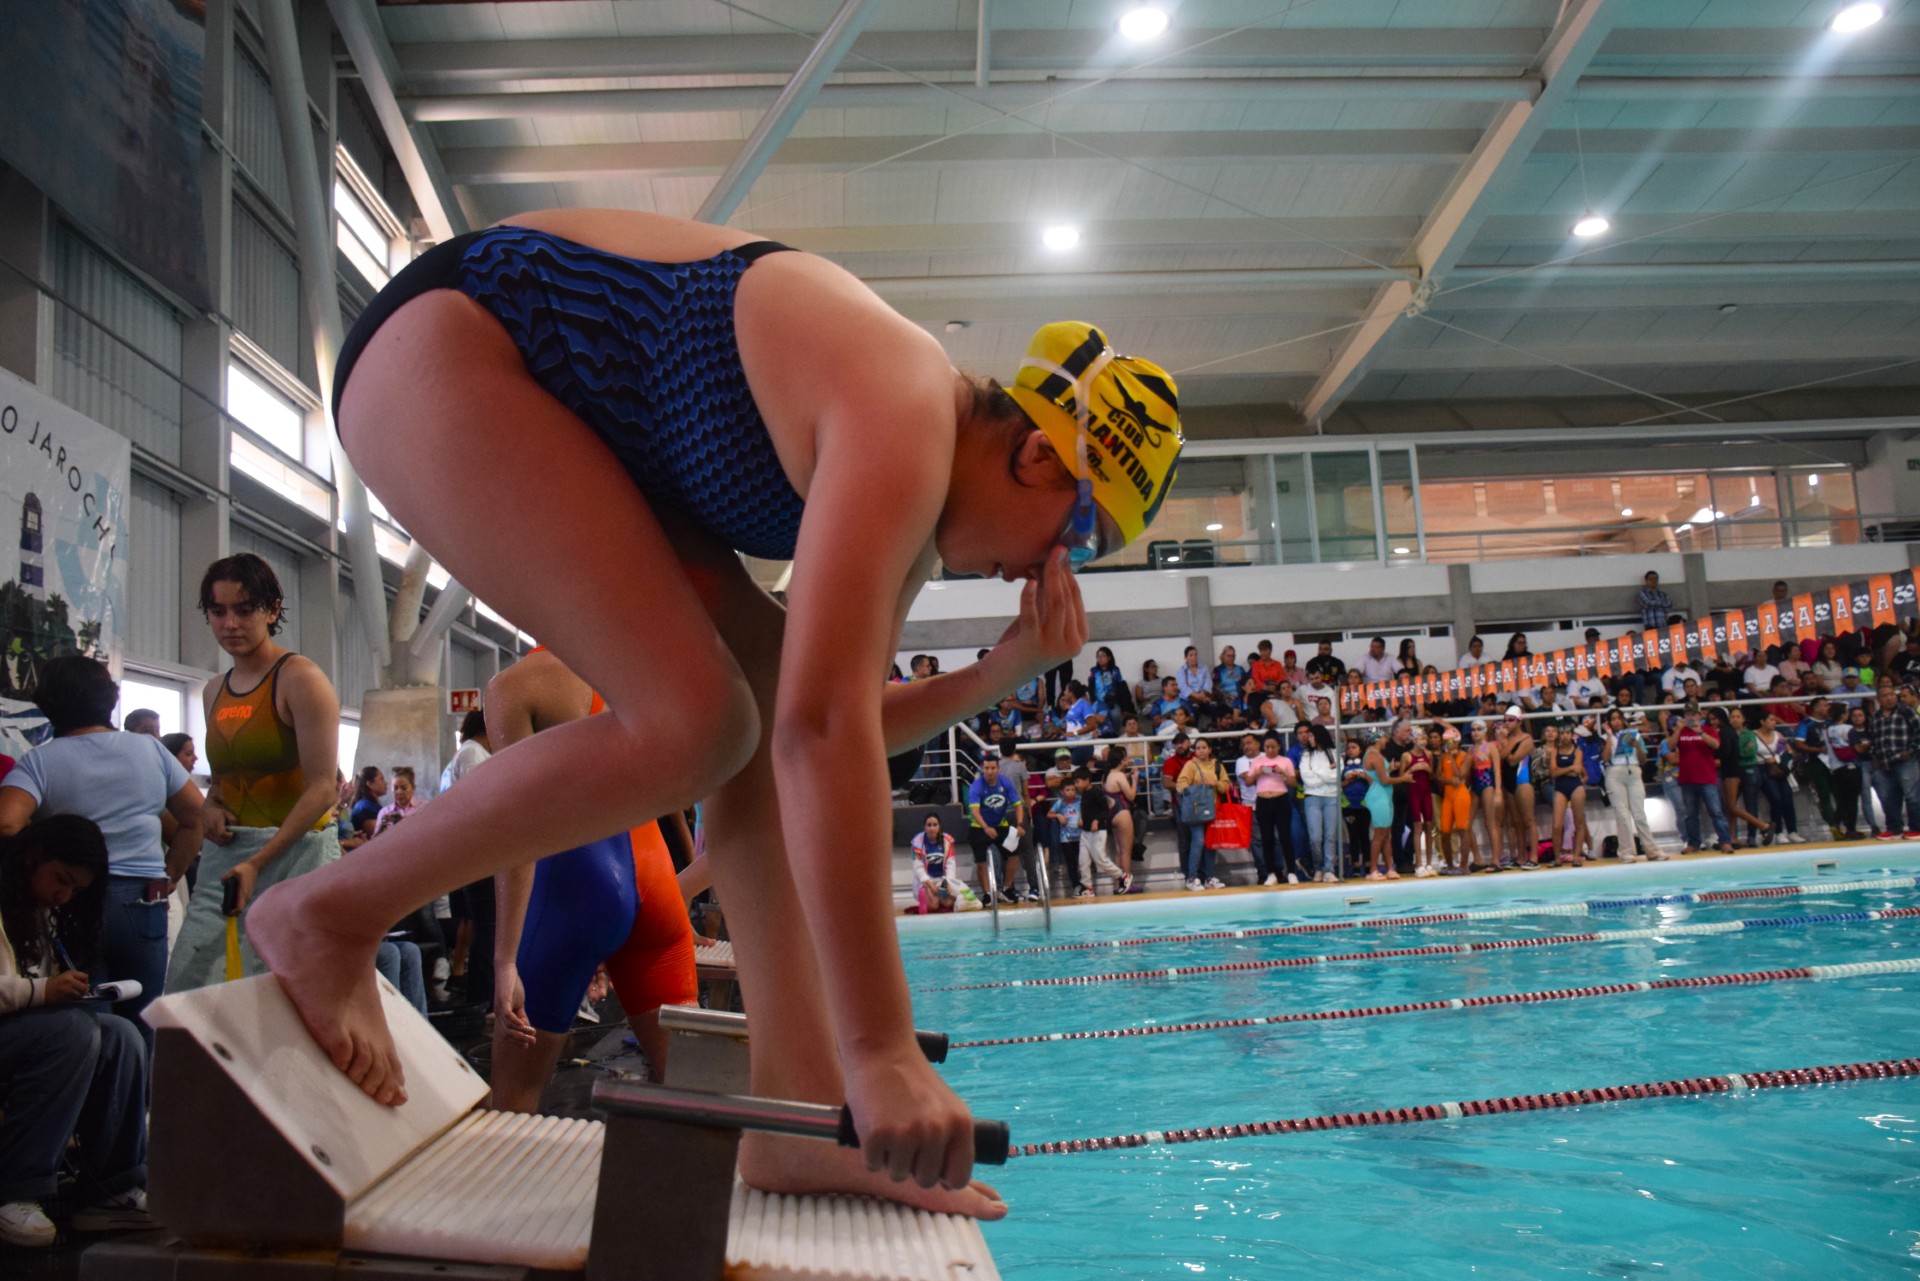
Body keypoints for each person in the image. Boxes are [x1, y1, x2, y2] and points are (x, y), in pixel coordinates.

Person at [483, 649, 700, 1109]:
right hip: (656, 886)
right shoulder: (644, 671)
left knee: (514, 1099)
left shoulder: (517, 686)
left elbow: (518, 829)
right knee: (693, 1095)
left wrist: (505, 960)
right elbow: (678, 795)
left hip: (575, 886)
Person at [0, 657, 205, 1039]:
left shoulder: (39, 761)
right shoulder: (153, 752)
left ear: (48, 704)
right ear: (109, 700)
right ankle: (139, 1099)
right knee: (142, 1022)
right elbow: (197, 818)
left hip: (75, 900)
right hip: (144, 900)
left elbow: (7, 823)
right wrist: (170, 876)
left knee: (88, 1023)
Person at [170, 554, 341, 993]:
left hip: (297, 853)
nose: (231, 623)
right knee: (192, 987)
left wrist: (258, 862)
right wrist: (210, 806)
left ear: (272, 609)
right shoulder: (213, 691)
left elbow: (323, 788)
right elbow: (223, 782)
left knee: (291, 996)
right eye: (218, 610)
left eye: (244, 610)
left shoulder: (300, 678)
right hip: (229, 857)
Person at [0, 815, 152, 1247]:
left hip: (14, 1032)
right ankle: (16, 1189)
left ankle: (113, 1189)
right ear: (34, 856)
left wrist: (53, 993)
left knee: (119, 1036)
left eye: (75, 891)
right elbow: (28, 992)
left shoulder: (36, 909)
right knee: (69, 1032)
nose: (63, 896)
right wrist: (42, 992)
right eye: (61, 880)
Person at [1670, 707, 1734, 854]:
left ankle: (1725, 841)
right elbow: (1670, 746)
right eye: (1687, 714)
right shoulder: (1682, 732)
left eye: (1693, 714)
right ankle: (1693, 843)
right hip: (1687, 778)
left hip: (1707, 778)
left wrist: (1699, 731)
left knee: (1716, 812)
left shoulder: (1708, 730)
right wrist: (1679, 730)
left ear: (1699, 716)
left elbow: (1716, 745)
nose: (1690, 717)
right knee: (1690, 814)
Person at [1862, 685, 1920, 841]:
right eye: (1885, 695)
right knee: (1889, 798)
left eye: (1892, 695)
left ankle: (1916, 828)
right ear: (1879, 699)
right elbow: (1874, 739)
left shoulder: (1906, 711)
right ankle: (1894, 829)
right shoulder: (1875, 717)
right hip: (1884, 762)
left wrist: (1911, 750)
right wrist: (1874, 755)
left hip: (1905, 760)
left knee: (1912, 796)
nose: (1889, 698)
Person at [966, 754, 1025, 906]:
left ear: (998, 769)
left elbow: (1018, 805)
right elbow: (975, 812)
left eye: (993, 768)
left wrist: (1020, 824)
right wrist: (986, 828)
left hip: (1000, 825)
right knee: (981, 861)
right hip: (979, 827)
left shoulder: (1006, 783)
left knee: (1014, 853)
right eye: (986, 768)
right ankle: (987, 894)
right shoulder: (976, 786)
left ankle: (1006, 889)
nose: (990, 771)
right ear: (982, 769)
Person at [1602, 711, 1660, 861]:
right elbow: (1605, 758)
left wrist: (1636, 746)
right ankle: (1626, 852)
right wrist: (1609, 736)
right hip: (1614, 774)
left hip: (1633, 772)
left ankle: (1652, 850)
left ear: (1623, 720)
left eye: (1618, 718)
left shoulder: (1636, 736)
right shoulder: (1604, 738)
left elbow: (1643, 759)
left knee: (1640, 814)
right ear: (1608, 722)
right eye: (1613, 719)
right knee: (1622, 815)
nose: (1616, 722)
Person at [1174, 738, 1229, 891]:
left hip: (1213, 810)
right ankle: (1192, 878)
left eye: (1204, 747)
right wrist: (1197, 790)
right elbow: (1180, 785)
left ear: (1210, 749)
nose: (1201, 750)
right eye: (1198, 748)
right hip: (1196, 811)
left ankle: (1209, 878)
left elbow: (1226, 786)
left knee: (1211, 843)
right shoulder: (1191, 765)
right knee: (1198, 841)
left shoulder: (1217, 765)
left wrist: (1215, 783)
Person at [1248, 735, 1298, 885]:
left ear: (1278, 747)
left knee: (1285, 837)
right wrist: (1259, 773)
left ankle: (1291, 872)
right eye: (1267, 747)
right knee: (1267, 838)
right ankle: (1271, 873)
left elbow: (1294, 783)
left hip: (1281, 800)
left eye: (1272, 747)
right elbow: (1249, 781)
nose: (1269, 750)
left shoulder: (1285, 761)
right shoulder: (1258, 762)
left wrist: (1282, 772)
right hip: (1263, 801)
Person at [1297, 724, 1342, 883]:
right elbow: (1306, 778)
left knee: (1330, 835)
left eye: (1311, 736)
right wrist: (1327, 773)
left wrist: (1319, 774)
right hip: (1312, 797)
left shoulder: (1335, 754)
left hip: (1331, 797)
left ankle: (1329, 869)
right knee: (1315, 837)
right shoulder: (1306, 756)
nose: (1308, 739)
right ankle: (1318, 866)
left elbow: (1336, 776)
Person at [1544, 726, 1587, 866]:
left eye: (1567, 733)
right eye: (1562, 733)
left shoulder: (1578, 751)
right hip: (1560, 788)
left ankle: (1576, 855)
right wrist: (1570, 768)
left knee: (1579, 822)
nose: (1564, 736)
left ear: (1572, 735)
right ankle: (1557, 857)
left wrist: (1561, 770)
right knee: (1556, 825)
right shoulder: (1554, 751)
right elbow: (1553, 773)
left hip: (1575, 786)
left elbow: (1576, 772)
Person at [1499, 710, 1537, 868]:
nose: (1507, 723)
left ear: (1519, 722)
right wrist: (1507, 742)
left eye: (1511, 720)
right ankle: (1521, 857)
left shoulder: (1526, 739)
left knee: (1528, 820)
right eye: (1505, 720)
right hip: (1508, 783)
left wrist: (1506, 743)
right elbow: (1500, 758)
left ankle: (1534, 858)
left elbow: (1513, 760)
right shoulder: (1507, 739)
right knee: (1516, 822)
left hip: (1523, 781)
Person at [1466, 719, 1504, 871]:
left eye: (1478, 729)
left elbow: (1497, 771)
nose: (1475, 732)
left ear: (1484, 731)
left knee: (1491, 824)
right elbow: (1468, 773)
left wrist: (1498, 792)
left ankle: (1496, 861)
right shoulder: (1470, 749)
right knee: (1466, 825)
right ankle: (1478, 858)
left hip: (1488, 785)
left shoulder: (1491, 748)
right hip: (1475, 786)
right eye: (1473, 729)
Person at [911, 815, 967, 915]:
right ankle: (926, 896)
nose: (932, 828)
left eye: (935, 825)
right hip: (926, 881)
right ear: (925, 827)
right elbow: (918, 867)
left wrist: (947, 883)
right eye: (929, 825)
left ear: (939, 826)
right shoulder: (917, 843)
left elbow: (951, 864)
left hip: (942, 879)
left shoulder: (947, 841)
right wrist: (929, 884)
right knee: (934, 906)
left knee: (948, 903)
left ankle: (938, 897)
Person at [1100, 753, 1139, 895]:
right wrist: (1135, 780)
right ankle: (1127, 884)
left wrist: (1127, 776)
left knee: (1118, 851)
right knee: (1126, 851)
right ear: (1121, 761)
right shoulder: (1119, 776)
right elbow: (1131, 796)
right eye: (1125, 758)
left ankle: (1118, 885)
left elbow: (1114, 787)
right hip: (1121, 812)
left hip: (1111, 813)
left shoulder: (1107, 775)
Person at [1360, 733, 1398, 881]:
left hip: (1384, 795)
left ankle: (1389, 868)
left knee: (1387, 834)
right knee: (1379, 835)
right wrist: (1404, 778)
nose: (1386, 740)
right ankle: (1373, 870)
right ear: (1376, 739)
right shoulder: (1374, 755)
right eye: (1383, 737)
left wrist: (1391, 769)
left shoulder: (1375, 755)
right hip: (1379, 795)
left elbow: (1381, 775)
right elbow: (1383, 780)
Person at [1436, 729, 1470, 875]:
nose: (1447, 744)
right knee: (1444, 831)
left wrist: (1452, 758)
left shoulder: (1466, 756)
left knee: (1462, 830)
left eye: (1450, 741)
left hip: (1461, 794)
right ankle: (1450, 865)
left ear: (1457, 741)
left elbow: (1460, 776)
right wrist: (1447, 780)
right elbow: (1437, 776)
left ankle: (1463, 865)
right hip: (1448, 796)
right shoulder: (1444, 757)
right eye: (1446, 742)